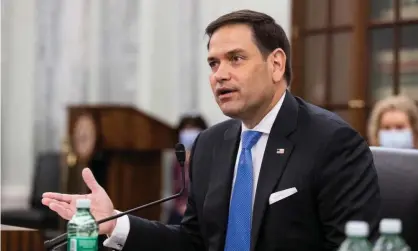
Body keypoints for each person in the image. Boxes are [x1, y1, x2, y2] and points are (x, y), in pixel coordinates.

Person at [42, 10, 381, 251]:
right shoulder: (210, 144)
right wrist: (116, 223)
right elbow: (194, 242)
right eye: (213, 63)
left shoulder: (332, 142)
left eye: (236, 59)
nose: (219, 74)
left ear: (276, 64)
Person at [168, 114, 208, 224]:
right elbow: (173, 189)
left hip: (201, 212)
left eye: (193, 128)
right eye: (186, 128)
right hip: (178, 211)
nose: (189, 132)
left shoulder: (208, 156)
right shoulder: (176, 158)